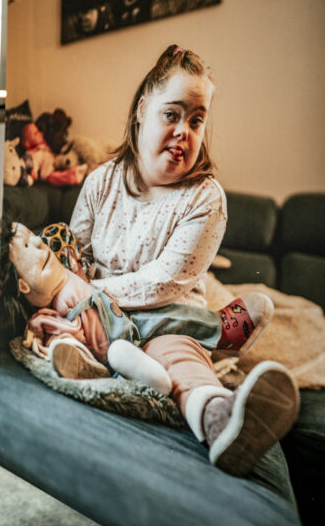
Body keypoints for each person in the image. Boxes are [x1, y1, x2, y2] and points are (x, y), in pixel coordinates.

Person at [67, 45, 299, 476]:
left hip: (166, 315)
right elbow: (74, 254)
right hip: (98, 314)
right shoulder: (101, 181)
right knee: (58, 329)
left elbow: (164, 282)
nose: (184, 131)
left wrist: (88, 291)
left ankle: (221, 420)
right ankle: (132, 354)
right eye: (171, 115)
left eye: (197, 120)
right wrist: (73, 294)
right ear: (141, 110)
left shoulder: (205, 198)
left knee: (180, 358)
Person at [1, 220, 274, 394]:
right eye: (28, 246)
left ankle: (224, 331)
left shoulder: (66, 269)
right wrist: (45, 339)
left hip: (129, 323)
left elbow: (70, 246)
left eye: (32, 236)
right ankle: (90, 367)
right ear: (24, 287)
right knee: (77, 343)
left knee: (168, 315)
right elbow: (44, 331)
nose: (39, 243)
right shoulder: (51, 310)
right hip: (103, 344)